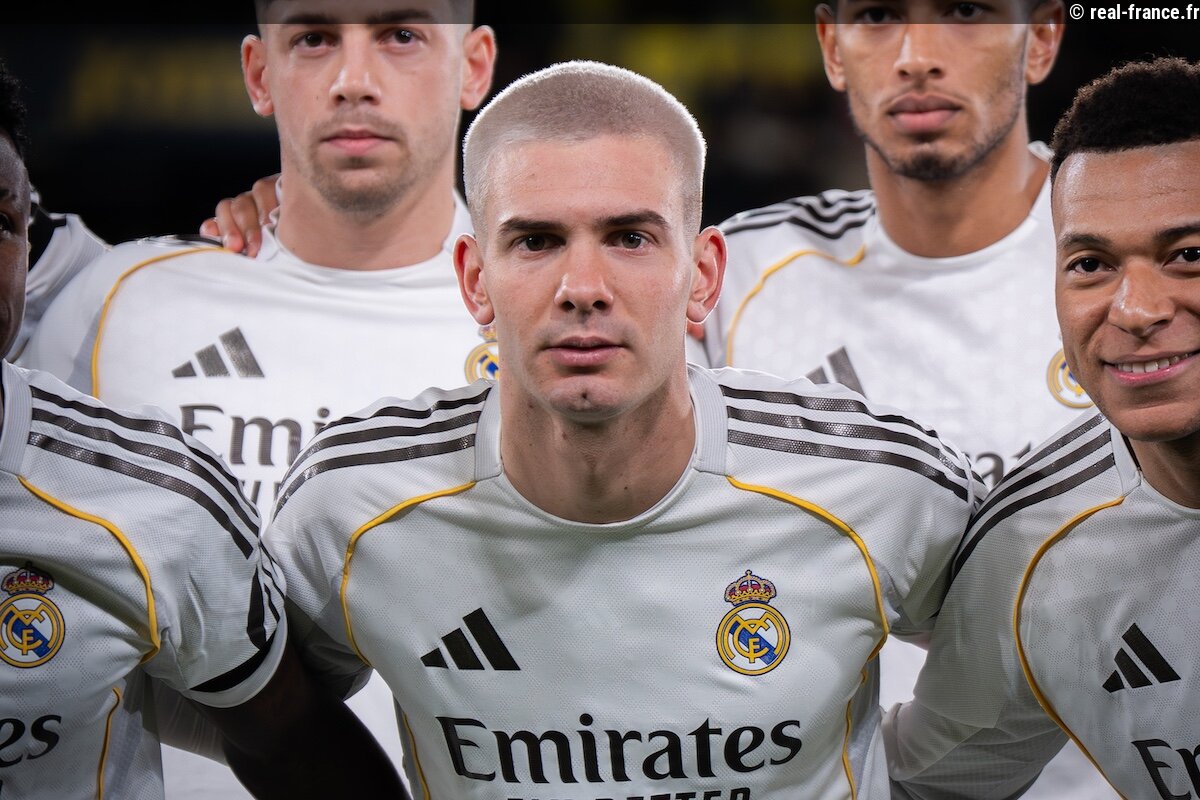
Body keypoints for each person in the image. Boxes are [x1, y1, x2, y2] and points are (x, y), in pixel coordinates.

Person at [265, 59, 982, 800]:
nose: (583, 289)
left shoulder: (881, 485)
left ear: (702, 274)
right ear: (476, 279)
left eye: (630, 238)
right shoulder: (349, 507)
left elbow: (1011, 692)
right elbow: (250, 711)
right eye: (536, 241)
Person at [19, 1, 497, 796]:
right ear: (258, 72)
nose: (353, 79)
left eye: (401, 35)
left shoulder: (552, 334)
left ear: (474, 67)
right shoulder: (116, 304)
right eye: (313, 38)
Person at [698, 2, 1113, 796]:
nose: (917, 54)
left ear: (1042, 38)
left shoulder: (1151, 266)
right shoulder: (728, 279)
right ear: (832, 46)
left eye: (965, 12)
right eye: (879, 15)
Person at [885, 55, 1200, 799]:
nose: (1136, 309)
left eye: (1188, 255)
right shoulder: (1031, 554)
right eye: (1091, 264)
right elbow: (926, 786)